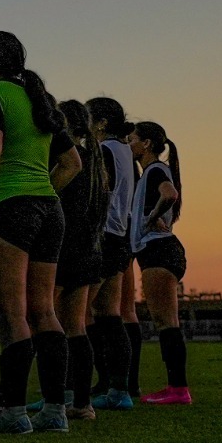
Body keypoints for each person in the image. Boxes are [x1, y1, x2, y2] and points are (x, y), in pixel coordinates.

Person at [0, 32, 76, 435]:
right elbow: (72, 163)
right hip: (48, 210)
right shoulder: (39, 100)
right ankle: (55, 411)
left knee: (11, 317)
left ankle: (12, 413)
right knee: (44, 312)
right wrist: (40, 191)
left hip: (6, 211)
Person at [53, 100, 111, 421]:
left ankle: (52, 399)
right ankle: (82, 403)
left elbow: (51, 200)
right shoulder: (96, 164)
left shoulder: (67, 161)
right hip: (90, 251)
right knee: (75, 326)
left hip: (64, 250)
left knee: (42, 319)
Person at [130, 121, 191, 405]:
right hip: (162, 250)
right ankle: (176, 388)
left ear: (147, 144)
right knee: (166, 321)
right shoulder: (150, 173)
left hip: (159, 250)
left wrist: (153, 214)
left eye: (133, 140)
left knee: (166, 323)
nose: (129, 145)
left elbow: (170, 194)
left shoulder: (155, 169)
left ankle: (178, 389)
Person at [87, 97, 141, 411]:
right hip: (119, 238)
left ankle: (69, 392)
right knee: (108, 315)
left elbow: (100, 191)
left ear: (102, 121)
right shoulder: (125, 152)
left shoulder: (105, 150)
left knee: (73, 312)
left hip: (103, 237)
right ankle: (118, 390)